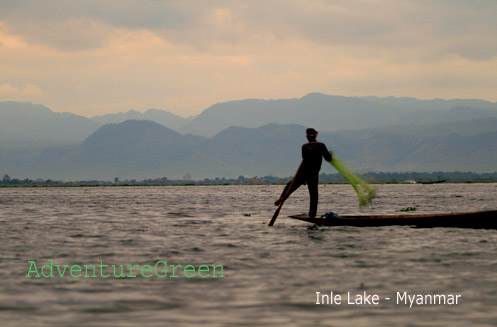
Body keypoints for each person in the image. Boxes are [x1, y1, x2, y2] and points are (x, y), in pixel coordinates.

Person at [274, 128, 332, 218]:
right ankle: (312, 215)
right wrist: (330, 155)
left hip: (302, 171)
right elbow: (328, 158)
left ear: (307, 138)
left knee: (290, 186)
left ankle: (283, 196)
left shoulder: (304, 147)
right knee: (313, 195)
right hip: (313, 174)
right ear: (316, 135)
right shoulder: (321, 145)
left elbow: (304, 158)